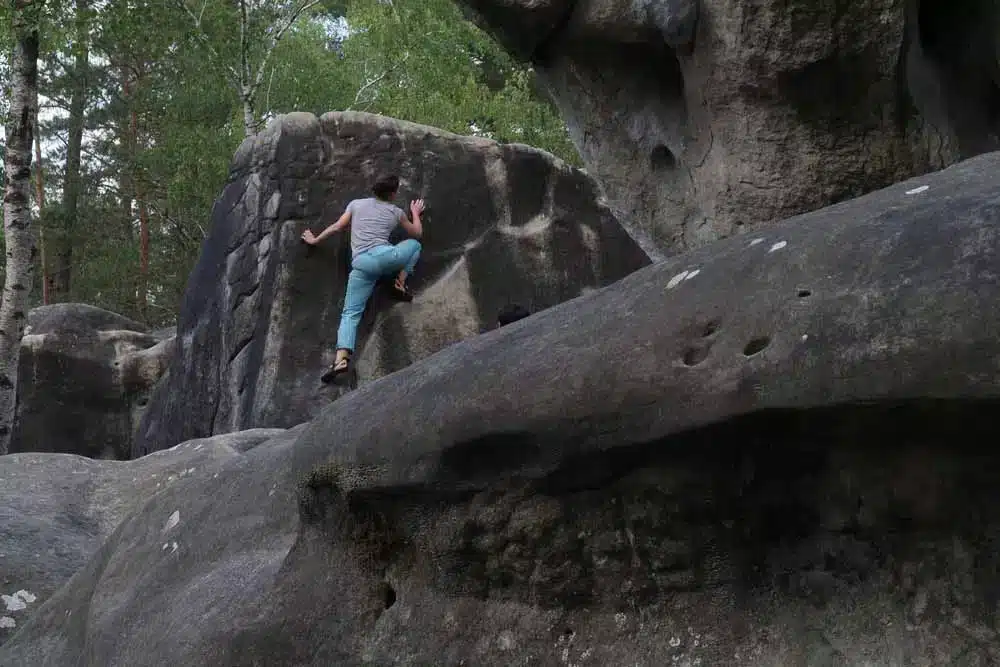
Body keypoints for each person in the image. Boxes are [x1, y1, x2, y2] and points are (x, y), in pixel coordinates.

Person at [301, 174, 425, 382]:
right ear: (393, 194)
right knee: (415, 246)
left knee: (350, 313)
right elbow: (417, 234)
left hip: (361, 266)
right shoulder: (396, 212)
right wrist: (415, 213)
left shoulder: (356, 205)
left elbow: (338, 227)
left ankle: (341, 358)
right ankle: (400, 283)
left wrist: (314, 240)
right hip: (386, 258)